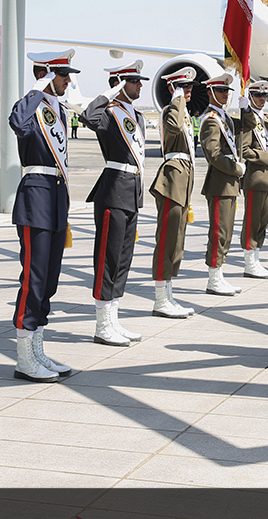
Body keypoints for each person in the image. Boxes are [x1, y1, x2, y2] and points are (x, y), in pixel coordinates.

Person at [7, 50, 77, 383]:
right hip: (35, 199)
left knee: (49, 281)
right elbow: (18, 125)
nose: (68, 80)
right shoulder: (30, 106)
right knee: (33, 280)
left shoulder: (57, 109)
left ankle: (37, 351)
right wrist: (37, 89)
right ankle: (24, 358)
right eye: (62, 74)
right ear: (46, 74)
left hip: (56, 198)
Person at [81, 61, 148, 345]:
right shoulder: (109, 113)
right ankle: (102, 324)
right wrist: (109, 93)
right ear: (120, 83)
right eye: (133, 80)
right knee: (107, 259)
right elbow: (88, 117)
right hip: (113, 190)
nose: (140, 85)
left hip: (131, 192)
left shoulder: (137, 115)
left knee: (122, 260)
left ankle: (113, 319)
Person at [150, 66, 197, 319]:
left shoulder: (184, 113)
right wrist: (177, 98)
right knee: (167, 240)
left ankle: (167, 294)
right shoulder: (171, 111)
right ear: (172, 89)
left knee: (177, 241)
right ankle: (160, 298)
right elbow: (175, 128)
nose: (188, 90)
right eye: (182, 86)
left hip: (183, 179)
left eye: (189, 87)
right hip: (172, 181)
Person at [199, 73, 245, 296]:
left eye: (227, 91)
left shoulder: (224, 117)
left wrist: (246, 109)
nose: (225, 94)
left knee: (226, 232)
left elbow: (247, 128)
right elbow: (214, 155)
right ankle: (213, 278)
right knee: (219, 232)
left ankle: (219, 275)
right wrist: (236, 169)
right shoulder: (211, 120)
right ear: (210, 93)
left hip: (229, 184)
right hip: (219, 183)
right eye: (220, 90)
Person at [239, 80, 268, 279]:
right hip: (254, 177)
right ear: (250, 97)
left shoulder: (266, 118)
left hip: (267, 177)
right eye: (258, 96)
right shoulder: (248, 120)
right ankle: (249, 262)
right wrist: (265, 157)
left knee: (263, 220)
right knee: (253, 221)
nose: (262, 99)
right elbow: (243, 149)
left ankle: (256, 259)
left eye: (265, 96)